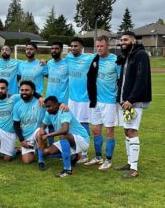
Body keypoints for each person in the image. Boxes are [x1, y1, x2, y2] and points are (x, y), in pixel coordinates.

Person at [115, 31, 152, 178]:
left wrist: (131, 99)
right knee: (126, 130)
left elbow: (141, 79)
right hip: (126, 101)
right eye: (121, 40)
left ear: (133, 41)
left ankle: (134, 169)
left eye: (125, 40)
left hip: (134, 101)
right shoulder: (127, 56)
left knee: (132, 131)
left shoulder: (141, 55)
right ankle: (130, 162)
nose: (122, 42)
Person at [85, 35, 121, 170]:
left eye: (102, 46)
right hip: (95, 100)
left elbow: (121, 78)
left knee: (109, 131)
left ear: (108, 46)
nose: (99, 48)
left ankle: (109, 159)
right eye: (97, 46)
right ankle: (98, 157)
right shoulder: (94, 59)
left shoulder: (116, 60)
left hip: (109, 101)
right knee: (95, 130)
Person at [39, 96, 90, 177]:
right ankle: (74, 157)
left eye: (49, 106)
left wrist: (48, 135)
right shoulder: (48, 113)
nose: (47, 109)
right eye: (46, 107)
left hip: (82, 140)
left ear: (56, 105)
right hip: (69, 141)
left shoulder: (64, 111)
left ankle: (67, 170)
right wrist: (41, 129)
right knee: (46, 152)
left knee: (63, 135)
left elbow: (65, 130)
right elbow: (43, 124)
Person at [65, 37, 92, 163]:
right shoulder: (68, 58)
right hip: (72, 99)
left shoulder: (88, 58)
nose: (73, 48)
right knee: (71, 124)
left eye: (76, 46)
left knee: (83, 124)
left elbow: (102, 57)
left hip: (84, 99)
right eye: (72, 46)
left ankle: (85, 153)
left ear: (82, 47)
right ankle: (75, 149)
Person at [13, 81, 45, 164]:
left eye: (27, 90)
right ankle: (36, 149)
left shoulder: (40, 102)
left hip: (37, 131)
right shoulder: (17, 105)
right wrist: (22, 140)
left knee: (40, 133)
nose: (24, 92)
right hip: (26, 136)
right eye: (22, 90)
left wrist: (62, 104)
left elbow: (54, 104)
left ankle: (41, 160)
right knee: (27, 161)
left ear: (33, 91)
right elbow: (16, 125)